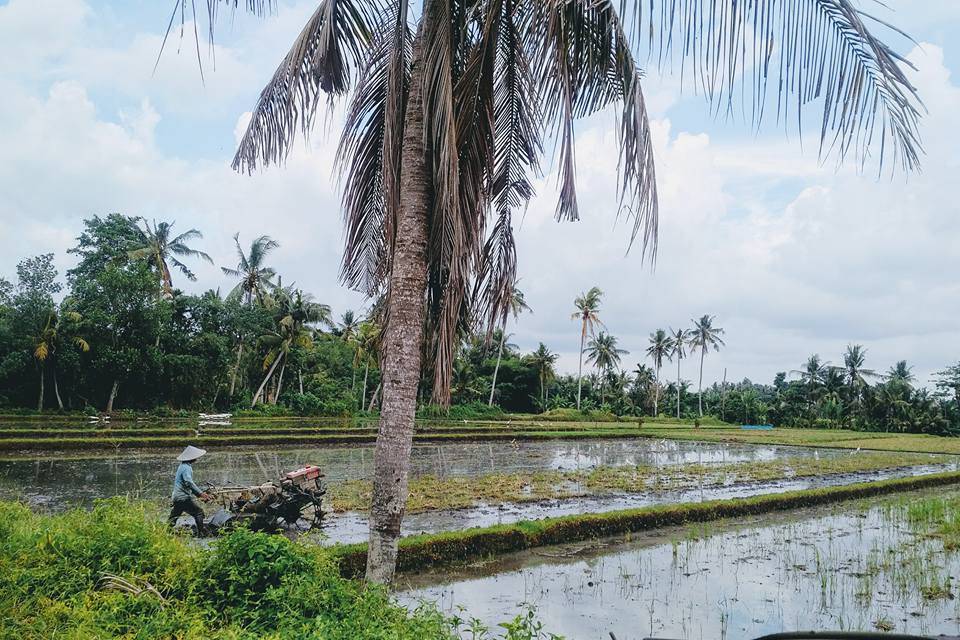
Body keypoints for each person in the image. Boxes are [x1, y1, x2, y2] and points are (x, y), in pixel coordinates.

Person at [168, 445, 212, 536]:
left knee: (174, 517)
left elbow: (187, 484)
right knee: (199, 512)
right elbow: (189, 482)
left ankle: (165, 532)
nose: (197, 458)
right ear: (191, 458)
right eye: (195, 457)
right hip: (183, 497)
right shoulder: (186, 468)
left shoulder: (182, 466)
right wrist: (200, 494)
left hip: (177, 497)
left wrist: (198, 495)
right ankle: (202, 533)